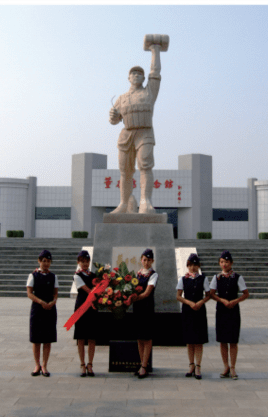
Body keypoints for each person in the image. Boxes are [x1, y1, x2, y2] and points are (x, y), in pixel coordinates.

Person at [109, 42, 163, 214]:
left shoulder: (149, 92)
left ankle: (145, 201)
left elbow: (155, 72)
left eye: (140, 73)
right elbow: (115, 120)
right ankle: (124, 203)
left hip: (145, 133)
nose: (137, 75)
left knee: (145, 165)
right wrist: (112, 116)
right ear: (128, 77)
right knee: (125, 171)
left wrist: (155, 50)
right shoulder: (122, 98)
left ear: (144, 78)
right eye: (134, 73)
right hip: (127, 135)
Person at [209, 250, 249, 380]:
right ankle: (225, 366)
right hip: (221, 311)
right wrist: (222, 300)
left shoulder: (238, 277)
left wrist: (235, 301)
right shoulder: (217, 277)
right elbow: (211, 294)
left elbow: (245, 293)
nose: (224, 264)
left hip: (233, 311)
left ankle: (233, 367)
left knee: (233, 340)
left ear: (231, 263)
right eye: (222, 262)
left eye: (226, 262)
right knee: (222, 341)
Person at [176, 253, 211, 380]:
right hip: (188, 310)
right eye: (190, 265)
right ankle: (191, 365)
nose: (192, 267)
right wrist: (189, 302)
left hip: (199, 311)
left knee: (198, 341)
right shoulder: (183, 279)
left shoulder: (203, 279)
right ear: (187, 266)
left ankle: (198, 366)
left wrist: (201, 302)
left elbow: (208, 295)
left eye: (195, 265)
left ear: (198, 266)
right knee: (189, 340)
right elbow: (178, 296)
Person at [26, 249, 58, 377]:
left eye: (48, 261)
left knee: (47, 339)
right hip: (37, 309)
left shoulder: (53, 276)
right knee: (36, 339)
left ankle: (45, 365)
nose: (46, 263)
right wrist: (41, 302)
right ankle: (37, 365)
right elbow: (29, 293)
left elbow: (55, 293)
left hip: (50, 309)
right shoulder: (33, 275)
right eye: (44, 261)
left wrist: (53, 302)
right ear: (39, 261)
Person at [132, 248, 158, 379]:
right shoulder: (138, 274)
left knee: (147, 337)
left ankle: (144, 365)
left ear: (152, 261)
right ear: (141, 260)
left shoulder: (153, 274)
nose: (146, 262)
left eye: (148, 260)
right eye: (144, 260)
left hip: (147, 308)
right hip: (137, 308)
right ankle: (142, 363)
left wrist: (136, 297)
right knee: (139, 337)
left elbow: (147, 292)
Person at [73, 250, 97, 377]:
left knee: (92, 338)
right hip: (81, 308)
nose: (85, 264)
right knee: (81, 338)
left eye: (87, 261)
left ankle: (90, 364)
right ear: (78, 262)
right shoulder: (77, 275)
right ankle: (82, 364)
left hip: (92, 308)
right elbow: (89, 291)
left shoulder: (94, 275)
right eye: (82, 261)